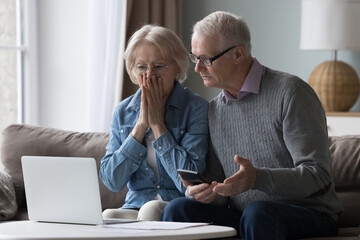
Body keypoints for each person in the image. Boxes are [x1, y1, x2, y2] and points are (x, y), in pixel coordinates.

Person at [162, 11, 343, 239]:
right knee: (177, 209)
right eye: (194, 58)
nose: (197, 68)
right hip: (249, 216)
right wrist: (203, 191)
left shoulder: (291, 93)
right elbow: (223, 192)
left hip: (309, 214)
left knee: (258, 213)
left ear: (238, 54)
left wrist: (258, 178)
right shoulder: (215, 110)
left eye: (206, 59)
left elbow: (318, 176)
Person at [99, 24, 209, 221]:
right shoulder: (123, 112)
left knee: (149, 211)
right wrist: (141, 125)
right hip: (136, 203)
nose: (149, 75)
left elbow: (189, 182)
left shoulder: (196, 108)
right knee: (108, 216)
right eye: (141, 67)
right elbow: (112, 181)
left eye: (158, 67)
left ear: (176, 67)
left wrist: (158, 126)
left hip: (176, 203)